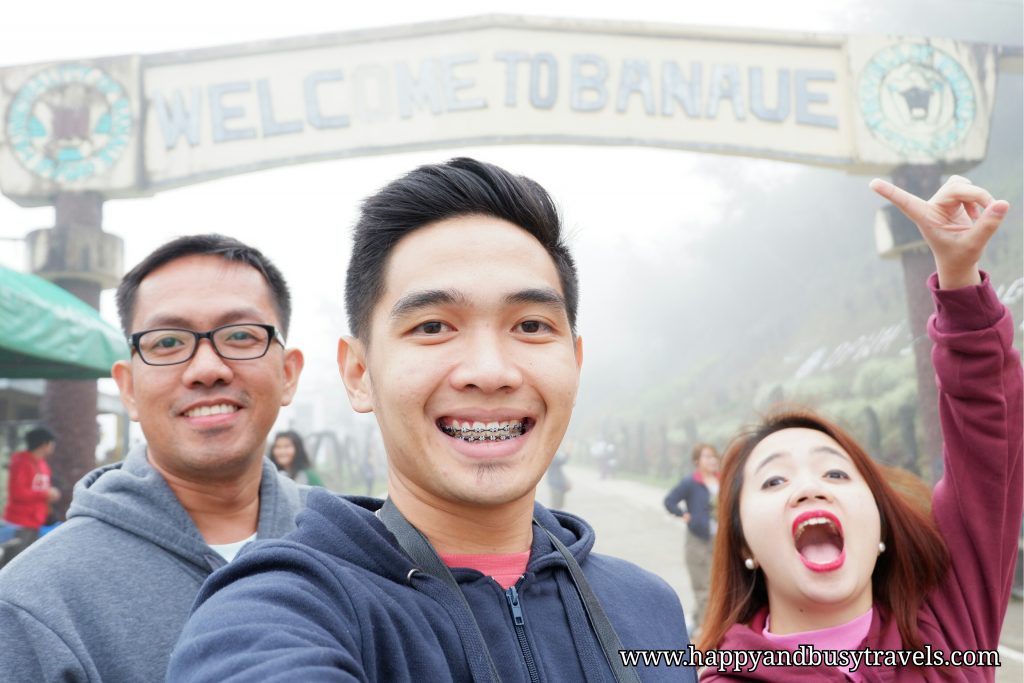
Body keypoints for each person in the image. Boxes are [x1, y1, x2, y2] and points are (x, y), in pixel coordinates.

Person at [169, 158, 693, 682]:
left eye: (531, 325)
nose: (490, 372)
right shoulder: (279, 611)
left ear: (574, 363)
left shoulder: (649, 608)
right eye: (434, 326)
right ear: (358, 373)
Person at [698, 176, 1021, 682]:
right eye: (774, 480)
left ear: (880, 531)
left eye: (836, 474)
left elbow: (990, 441)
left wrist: (960, 279)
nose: (808, 488)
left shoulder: (949, 630)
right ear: (743, 546)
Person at [0, 234, 306, 682]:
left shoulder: (364, 552)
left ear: (288, 374)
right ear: (128, 389)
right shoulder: (34, 603)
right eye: (167, 343)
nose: (207, 369)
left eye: (240, 335)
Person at [663, 442, 720, 633]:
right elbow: (669, 501)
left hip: (720, 541)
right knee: (703, 589)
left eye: (714, 456)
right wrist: (684, 515)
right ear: (697, 461)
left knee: (718, 586)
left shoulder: (722, 479)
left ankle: (694, 624)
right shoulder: (690, 482)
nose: (712, 460)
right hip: (698, 541)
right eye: (707, 456)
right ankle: (707, 633)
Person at [0, 427, 60, 565]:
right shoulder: (20, 463)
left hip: (37, 521)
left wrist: (50, 494)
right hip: (20, 522)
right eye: (52, 443)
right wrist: (45, 493)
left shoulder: (44, 465)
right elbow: (18, 493)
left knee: (28, 565)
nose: (53, 447)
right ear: (45, 444)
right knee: (13, 564)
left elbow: (40, 489)